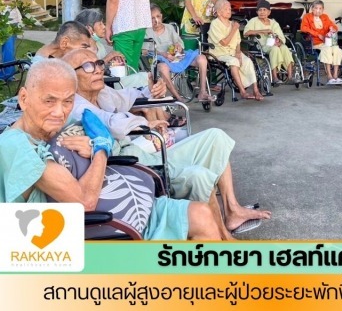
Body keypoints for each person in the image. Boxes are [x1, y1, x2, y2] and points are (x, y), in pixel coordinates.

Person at [0, 59, 222, 240]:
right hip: (95, 228)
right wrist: (101, 149)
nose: (59, 112)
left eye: (67, 101)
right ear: (24, 99)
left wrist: (97, 145)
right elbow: (84, 203)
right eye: (49, 101)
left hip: (128, 203)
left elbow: (109, 143)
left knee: (201, 214)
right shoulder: (17, 146)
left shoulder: (60, 126)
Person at [62, 48, 270, 236]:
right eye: (88, 66)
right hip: (133, 164)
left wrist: (151, 91)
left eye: (98, 63)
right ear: (70, 77)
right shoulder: (75, 106)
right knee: (200, 173)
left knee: (216, 138)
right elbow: (113, 123)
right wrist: (145, 123)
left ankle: (232, 210)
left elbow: (129, 95)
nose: (98, 69)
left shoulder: (102, 93)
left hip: (141, 152)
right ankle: (222, 232)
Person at [144, 4, 216, 103]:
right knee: (162, 67)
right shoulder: (147, 31)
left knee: (202, 58)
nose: (156, 20)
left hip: (176, 57)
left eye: (158, 16)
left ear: (161, 16)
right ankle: (178, 98)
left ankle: (202, 92)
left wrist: (178, 47)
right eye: (152, 18)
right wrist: (163, 54)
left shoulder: (169, 27)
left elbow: (179, 42)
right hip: (161, 58)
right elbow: (145, 51)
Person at [208, 0, 264, 100]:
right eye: (226, 9)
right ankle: (243, 91)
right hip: (220, 53)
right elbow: (224, 42)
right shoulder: (215, 24)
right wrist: (234, 29)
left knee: (248, 61)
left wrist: (238, 52)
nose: (229, 11)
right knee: (234, 61)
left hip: (233, 52)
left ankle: (256, 90)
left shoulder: (232, 23)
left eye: (230, 9)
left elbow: (238, 41)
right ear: (219, 12)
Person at [243, 0, 294, 85]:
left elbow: (281, 36)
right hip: (261, 46)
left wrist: (278, 40)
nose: (262, 12)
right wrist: (263, 31)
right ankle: (275, 77)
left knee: (284, 48)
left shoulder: (274, 23)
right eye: (260, 10)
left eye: (264, 10)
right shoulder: (253, 21)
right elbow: (246, 33)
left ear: (269, 12)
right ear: (257, 12)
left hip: (274, 44)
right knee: (275, 49)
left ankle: (290, 76)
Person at [300, 0, 342, 85]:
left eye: (320, 8)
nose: (318, 10)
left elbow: (333, 26)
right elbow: (304, 28)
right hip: (315, 42)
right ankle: (329, 76)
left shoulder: (325, 17)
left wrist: (332, 29)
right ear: (312, 9)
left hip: (327, 41)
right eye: (316, 8)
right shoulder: (307, 17)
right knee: (327, 50)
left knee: (337, 49)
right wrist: (318, 34)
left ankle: (335, 75)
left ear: (323, 9)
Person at [0, 0, 25, 80]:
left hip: (11, 19)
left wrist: (8, 0)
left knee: (8, 49)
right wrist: (3, 0)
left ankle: (8, 75)